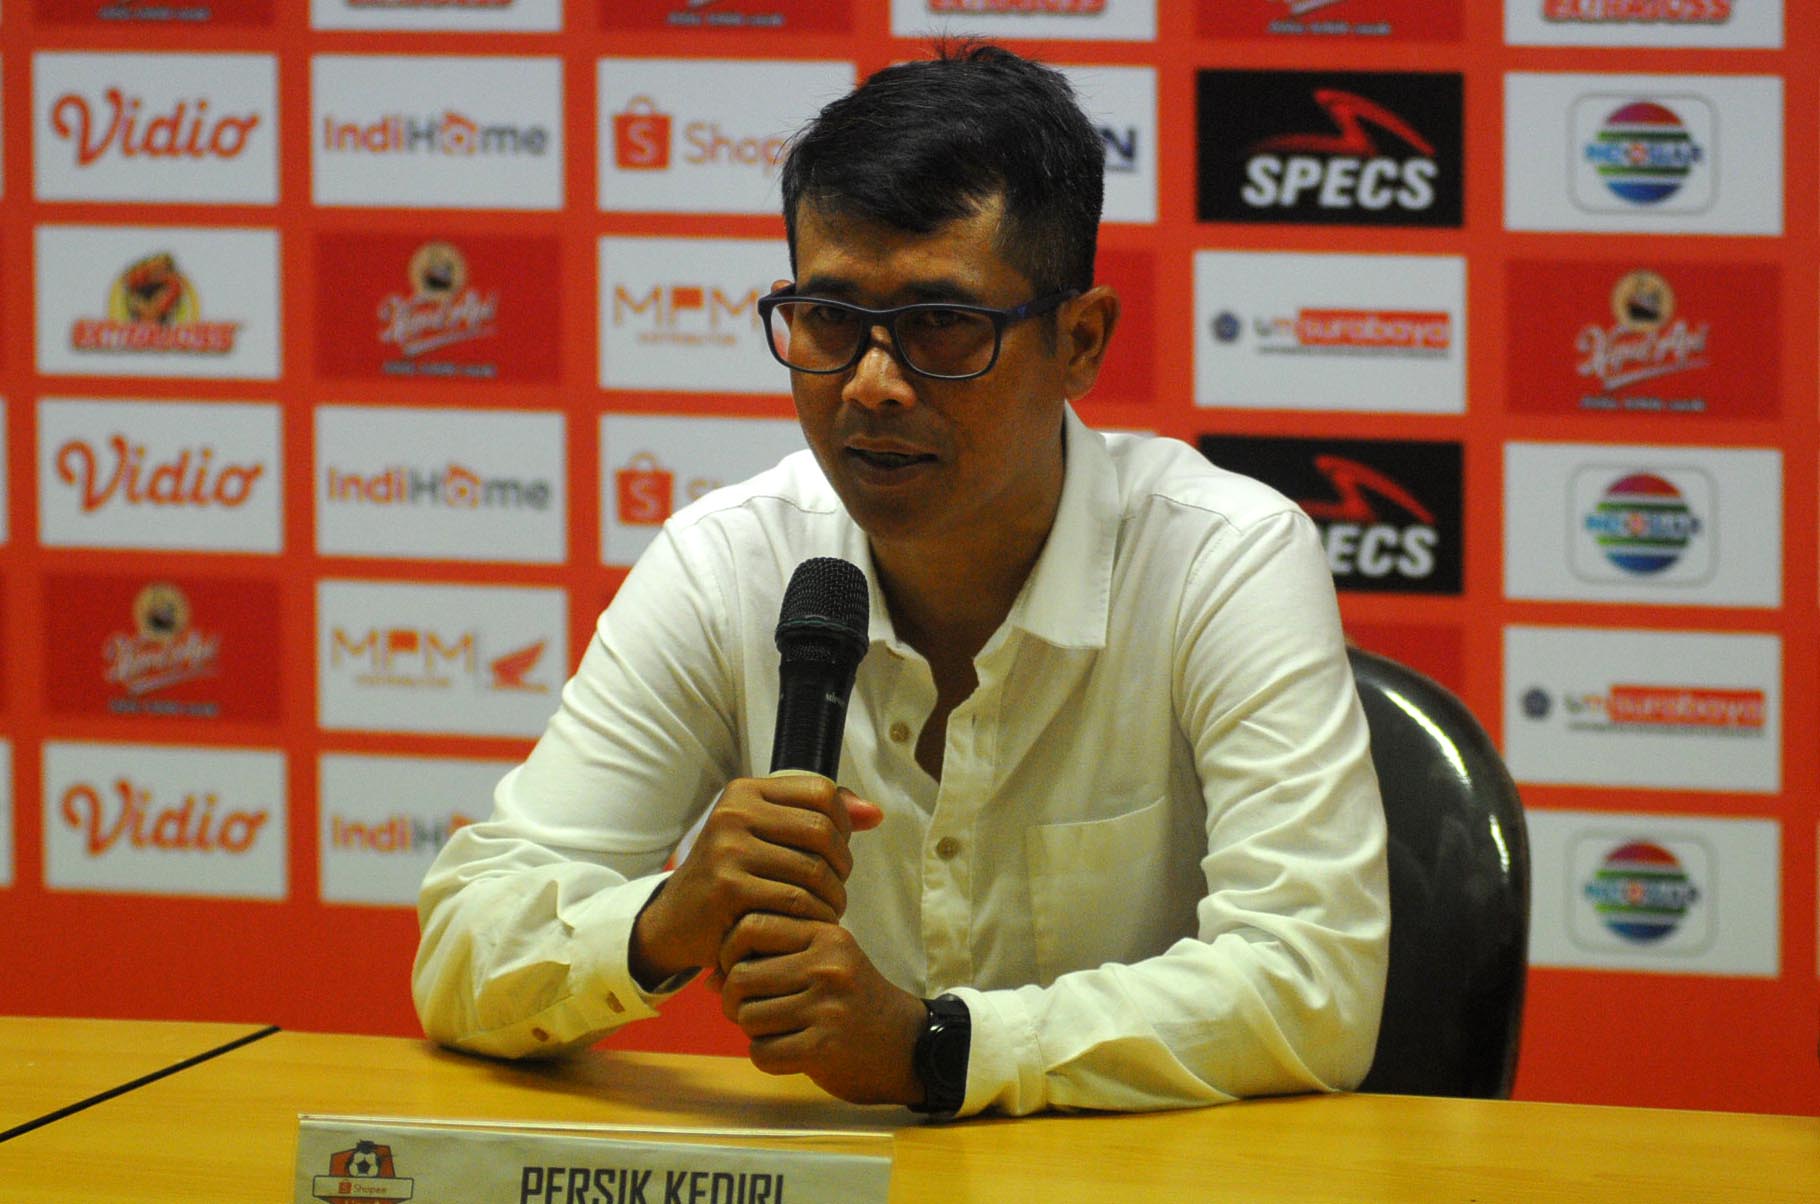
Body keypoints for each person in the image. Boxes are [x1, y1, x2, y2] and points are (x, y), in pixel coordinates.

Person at [413, 42, 1388, 1118]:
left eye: (939, 327)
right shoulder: (727, 560)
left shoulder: (1222, 559)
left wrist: (936, 1048)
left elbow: (1312, 986)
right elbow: (461, 947)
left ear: (1079, 339)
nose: (872, 384)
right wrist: (659, 922)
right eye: (829, 319)